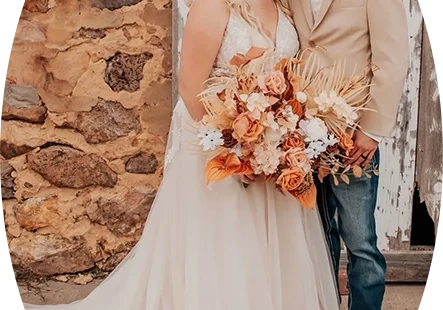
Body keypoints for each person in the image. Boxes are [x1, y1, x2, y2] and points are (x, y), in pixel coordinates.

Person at [22, 0, 339, 309]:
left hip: (270, 143)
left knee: (273, 243)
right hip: (217, 142)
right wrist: (239, 148)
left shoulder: (284, 5)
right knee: (226, 238)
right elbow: (191, 87)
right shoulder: (213, 5)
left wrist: (279, 139)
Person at [286, 0, 409, 309]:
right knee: (315, 238)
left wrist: (372, 130)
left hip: (352, 136)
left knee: (361, 241)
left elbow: (392, 59)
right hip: (302, 135)